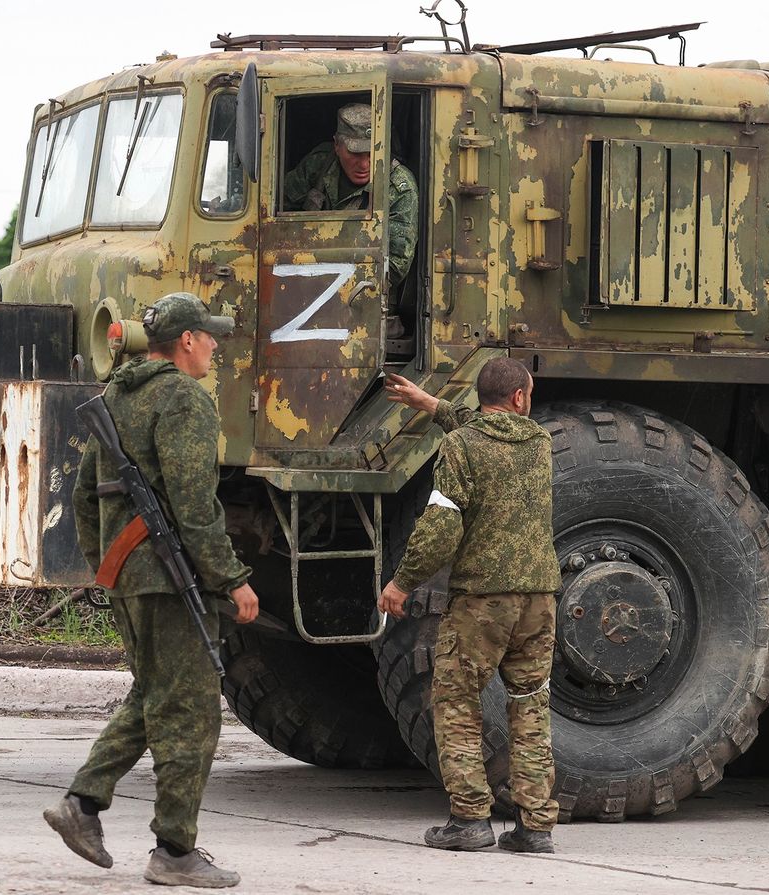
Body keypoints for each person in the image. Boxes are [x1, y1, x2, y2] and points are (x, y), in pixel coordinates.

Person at [45, 292, 259, 888]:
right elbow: (195, 508)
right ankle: (174, 851)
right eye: (209, 336)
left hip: (130, 578)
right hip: (171, 581)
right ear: (186, 340)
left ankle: (82, 805)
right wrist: (231, 580)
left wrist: (109, 564)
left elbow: (85, 498)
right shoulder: (184, 399)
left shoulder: (117, 395)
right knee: (190, 712)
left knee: (156, 695)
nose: (216, 346)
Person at [378, 362, 562, 855]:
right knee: (530, 706)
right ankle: (536, 827)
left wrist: (401, 582)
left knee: (457, 703)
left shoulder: (462, 448)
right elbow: (487, 433)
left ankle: (469, 819)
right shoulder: (538, 443)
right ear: (520, 399)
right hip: (540, 599)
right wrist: (434, 406)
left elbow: (440, 527)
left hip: (483, 601)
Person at [282, 102, 418, 288]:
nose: (364, 164)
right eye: (355, 153)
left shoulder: (398, 186)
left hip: (363, 294)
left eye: (371, 154)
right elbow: (278, 212)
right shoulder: (319, 165)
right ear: (337, 145)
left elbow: (394, 268)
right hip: (302, 283)